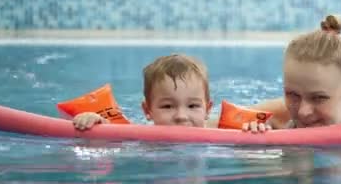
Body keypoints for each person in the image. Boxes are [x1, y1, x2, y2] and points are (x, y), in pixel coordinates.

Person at [245, 14, 341, 133]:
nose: (302, 112)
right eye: (292, 95)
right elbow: (229, 120)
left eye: (319, 98)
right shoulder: (278, 117)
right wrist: (257, 135)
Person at [73, 54, 268, 131]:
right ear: (147, 110)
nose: (181, 116)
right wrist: (95, 122)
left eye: (193, 106)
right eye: (167, 106)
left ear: (208, 109)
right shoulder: (139, 135)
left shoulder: (219, 132)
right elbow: (109, 141)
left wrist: (254, 131)